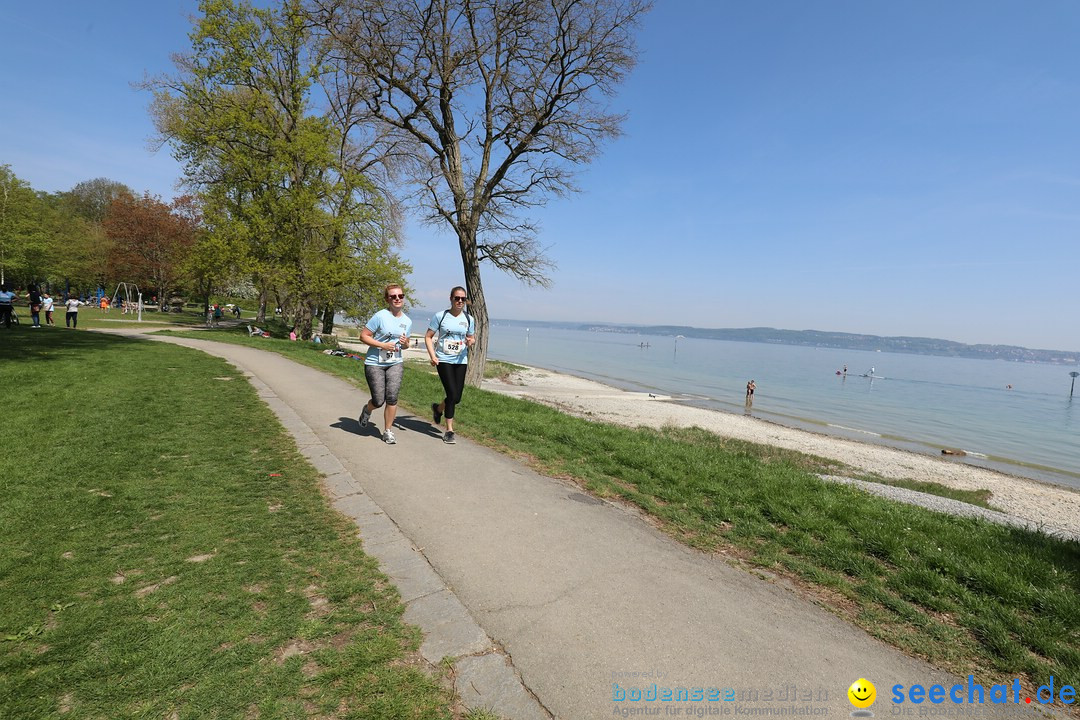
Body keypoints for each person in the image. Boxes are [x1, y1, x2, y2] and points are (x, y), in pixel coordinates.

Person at [358, 284, 412, 445]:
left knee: (392, 398)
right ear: (387, 299)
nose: (397, 299)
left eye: (400, 296)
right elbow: (363, 336)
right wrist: (382, 345)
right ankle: (367, 410)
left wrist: (405, 343)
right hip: (375, 363)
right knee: (378, 400)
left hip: (395, 362)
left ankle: (388, 431)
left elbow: (406, 344)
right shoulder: (380, 316)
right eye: (393, 296)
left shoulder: (407, 321)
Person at [425, 286, 476, 444]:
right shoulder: (440, 316)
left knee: (457, 397)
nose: (460, 301)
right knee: (452, 395)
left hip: (461, 360)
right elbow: (428, 337)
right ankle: (449, 430)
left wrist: (470, 341)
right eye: (457, 298)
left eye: (463, 299)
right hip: (443, 359)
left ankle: (438, 409)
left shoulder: (469, 319)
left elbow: (471, 337)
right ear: (451, 299)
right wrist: (433, 356)